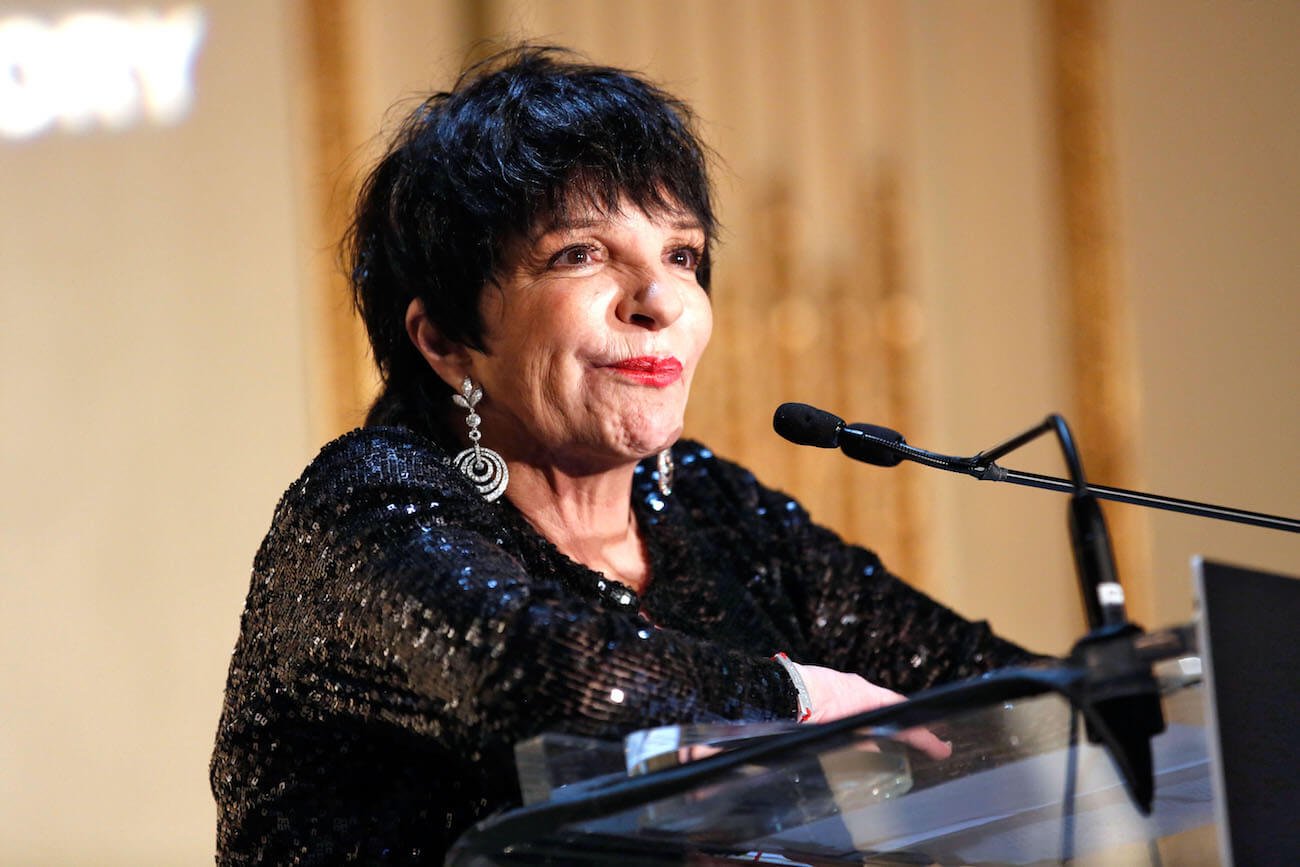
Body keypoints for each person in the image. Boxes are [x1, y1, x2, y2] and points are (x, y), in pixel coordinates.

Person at [211, 46, 1032, 864]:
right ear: (448, 339)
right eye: (582, 253)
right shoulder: (364, 508)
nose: (660, 299)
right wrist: (797, 695)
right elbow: (540, 676)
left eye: (681, 254)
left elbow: (980, 686)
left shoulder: (712, 508)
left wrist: (1131, 690)